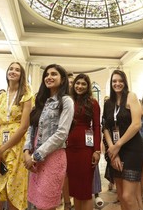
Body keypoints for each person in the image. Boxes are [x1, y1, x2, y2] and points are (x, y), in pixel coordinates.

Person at [0, 62, 33, 210]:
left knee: (13, 189)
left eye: (17, 70)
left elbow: (24, 127)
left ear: (21, 75)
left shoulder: (26, 96)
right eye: (11, 69)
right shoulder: (1, 97)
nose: (13, 71)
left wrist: (2, 149)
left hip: (16, 145)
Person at [23, 64, 74, 210]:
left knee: (47, 205)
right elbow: (31, 128)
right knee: (36, 203)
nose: (49, 77)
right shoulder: (40, 101)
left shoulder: (66, 101)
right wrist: (27, 152)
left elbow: (62, 133)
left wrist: (36, 156)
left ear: (63, 79)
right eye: (47, 74)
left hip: (53, 157)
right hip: (34, 158)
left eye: (54, 74)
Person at [102, 69, 143, 210]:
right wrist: (113, 151)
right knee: (120, 194)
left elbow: (137, 123)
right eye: (114, 81)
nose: (117, 83)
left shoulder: (131, 96)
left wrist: (117, 145)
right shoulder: (108, 103)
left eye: (120, 81)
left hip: (132, 148)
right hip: (115, 150)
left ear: (125, 82)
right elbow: (105, 127)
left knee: (128, 196)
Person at [66, 73, 101, 210]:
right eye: (77, 83)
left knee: (85, 190)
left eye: (83, 84)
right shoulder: (68, 101)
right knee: (74, 189)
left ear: (88, 87)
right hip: (69, 147)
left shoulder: (93, 103)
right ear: (73, 85)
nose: (80, 86)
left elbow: (97, 126)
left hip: (86, 148)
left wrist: (97, 150)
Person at [62, 72, 74, 210]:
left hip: (76, 142)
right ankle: (66, 202)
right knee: (64, 173)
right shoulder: (62, 99)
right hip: (62, 141)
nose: (71, 85)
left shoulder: (78, 100)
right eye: (69, 83)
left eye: (73, 82)